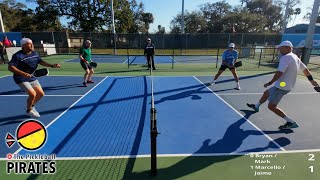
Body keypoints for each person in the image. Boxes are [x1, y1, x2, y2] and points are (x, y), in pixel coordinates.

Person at [247, 40, 319, 130]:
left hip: (282, 86)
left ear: (288, 48)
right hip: (285, 85)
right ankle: (256, 106)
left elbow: (279, 73)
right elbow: (305, 69)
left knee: (271, 106)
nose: (279, 49)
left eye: (281, 47)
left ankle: (290, 122)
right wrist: (311, 81)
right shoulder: (295, 57)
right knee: (266, 93)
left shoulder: (286, 57)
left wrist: (270, 82)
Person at [8, 38, 61, 118]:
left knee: (41, 94)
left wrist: (52, 65)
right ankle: (29, 110)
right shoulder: (17, 56)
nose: (32, 45)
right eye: (30, 43)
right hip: (20, 78)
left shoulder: (34, 53)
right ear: (24, 45)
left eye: (31, 43)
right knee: (33, 94)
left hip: (31, 76)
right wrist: (23, 73)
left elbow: (41, 62)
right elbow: (10, 68)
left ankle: (30, 106)